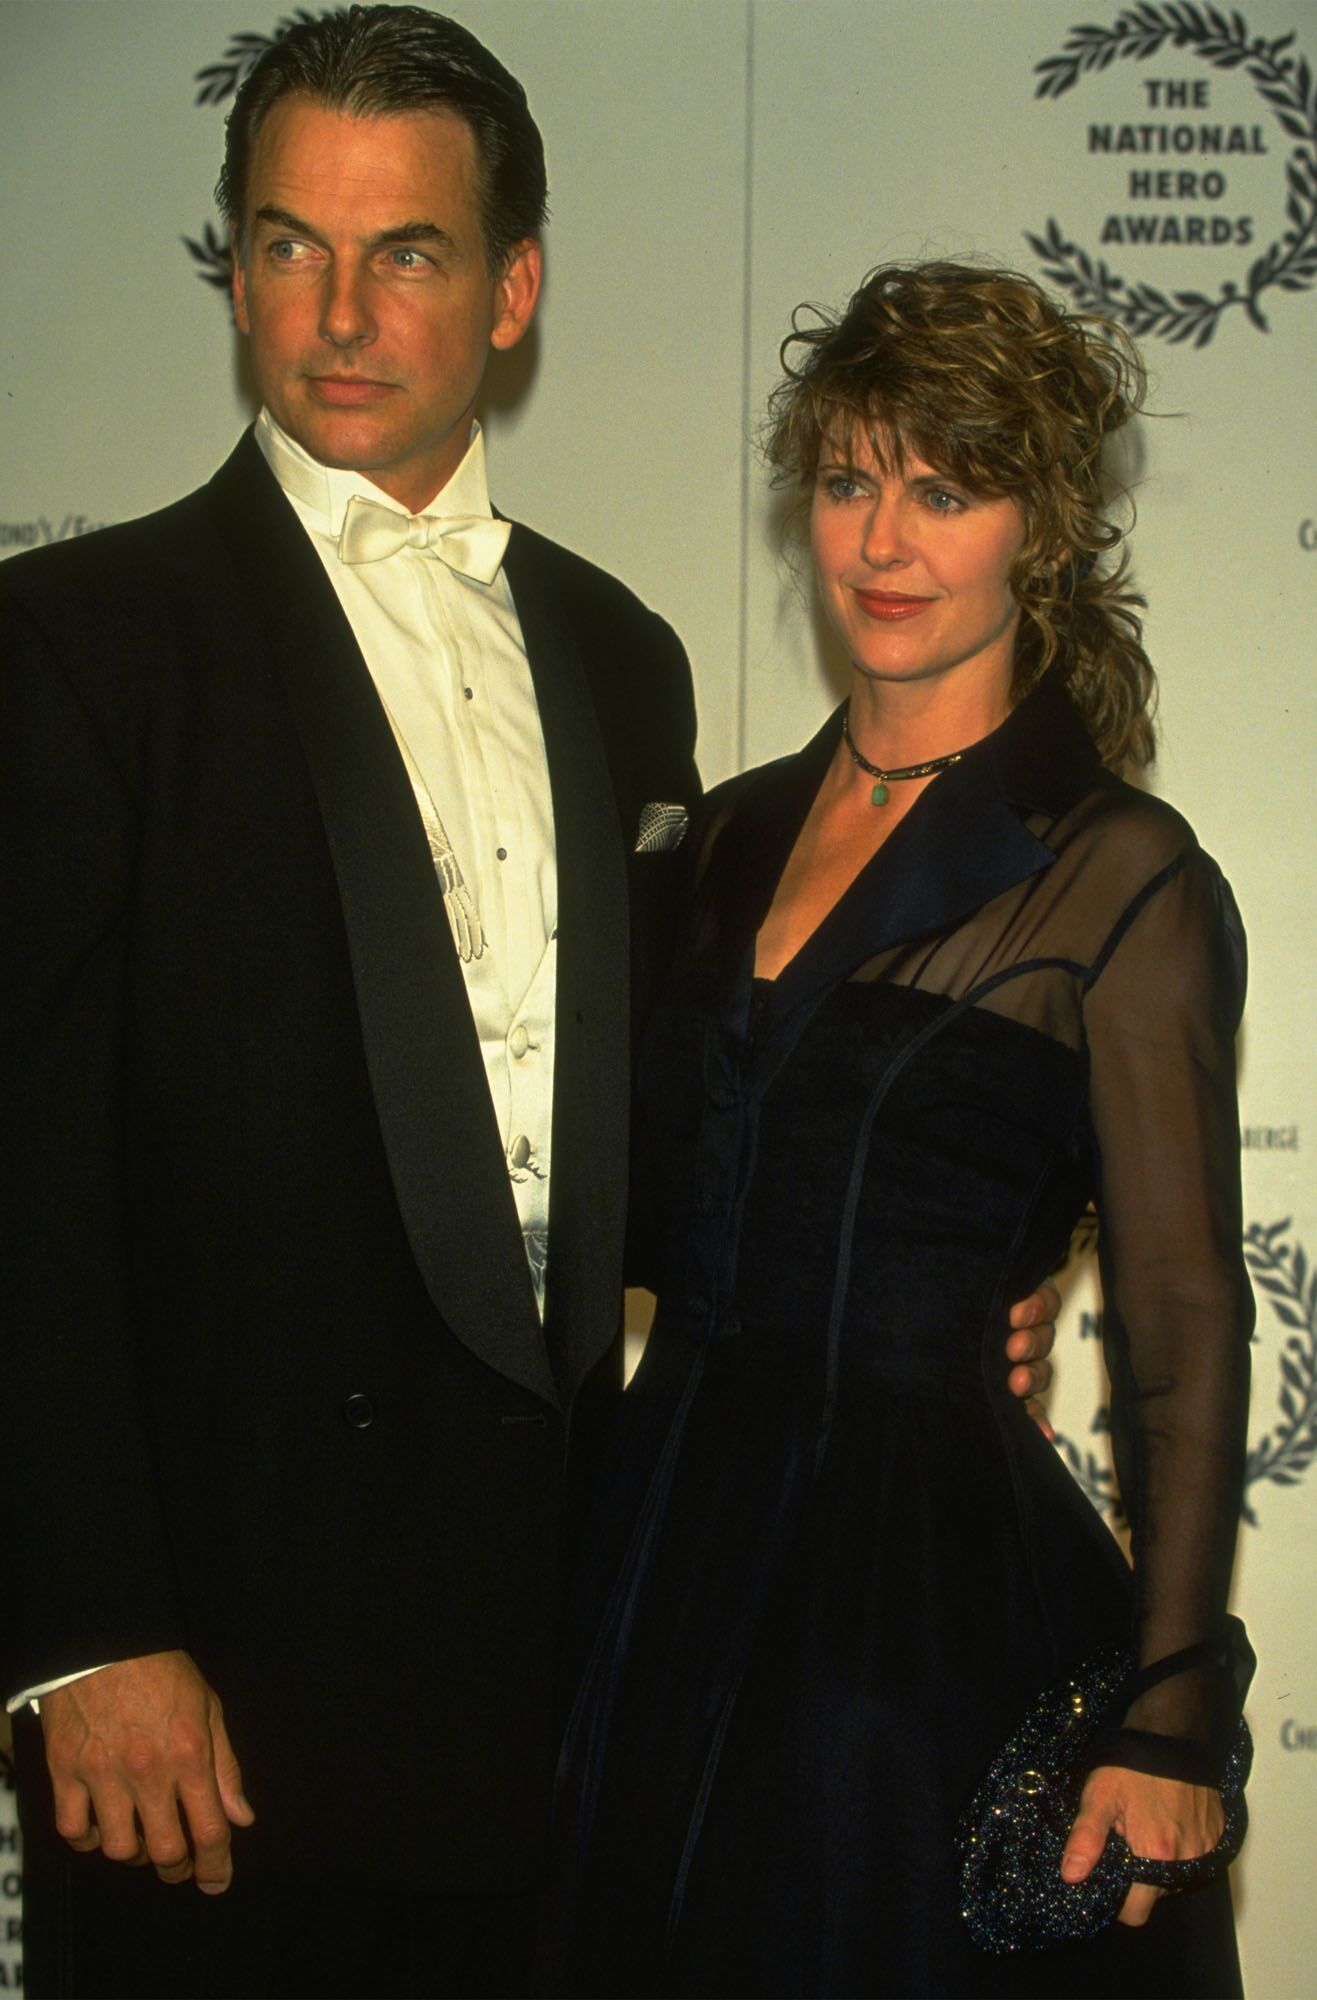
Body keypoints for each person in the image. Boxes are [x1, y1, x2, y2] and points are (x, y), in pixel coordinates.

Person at [0, 14, 1058, 1999]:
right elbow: (17, 1181)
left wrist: (909, 1255)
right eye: (284, 241)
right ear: (231, 264)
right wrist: (82, 1631)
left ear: (512, 289)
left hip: (572, 1656)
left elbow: (642, 1135)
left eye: (402, 250)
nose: (334, 306)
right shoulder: (72, 642)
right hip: (206, 1700)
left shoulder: (610, 649)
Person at [550, 262, 1254, 1999]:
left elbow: (1176, 1321)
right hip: (653, 1552)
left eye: (945, 490)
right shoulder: (709, 840)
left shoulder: (1114, 874)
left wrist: (1169, 1710)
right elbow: (621, 1205)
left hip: (915, 1611)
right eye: (851, 480)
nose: (885, 538)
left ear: (1041, 527)